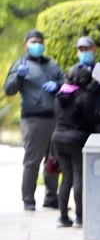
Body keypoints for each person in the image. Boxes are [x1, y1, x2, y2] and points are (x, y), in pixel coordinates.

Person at [5, 30, 65, 211]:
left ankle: (51, 197)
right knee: (32, 161)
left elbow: (64, 83)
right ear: (26, 45)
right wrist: (19, 76)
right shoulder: (21, 65)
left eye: (39, 42)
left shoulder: (51, 65)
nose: (37, 45)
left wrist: (58, 85)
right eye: (33, 42)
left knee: (54, 160)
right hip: (33, 120)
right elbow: (9, 89)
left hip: (53, 118)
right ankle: (28, 199)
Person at [50, 65, 100, 228]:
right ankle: (79, 217)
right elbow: (91, 120)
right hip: (77, 139)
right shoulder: (84, 96)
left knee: (66, 177)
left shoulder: (59, 94)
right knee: (78, 176)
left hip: (58, 138)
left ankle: (62, 217)